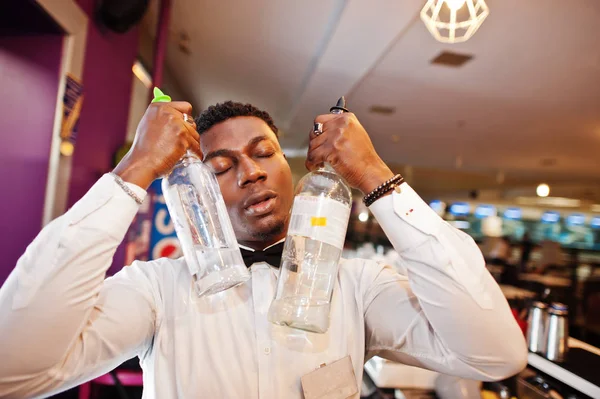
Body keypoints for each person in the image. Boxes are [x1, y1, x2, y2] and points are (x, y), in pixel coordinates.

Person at [0, 100, 527, 398]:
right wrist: (133, 172)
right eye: (222, 167)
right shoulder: (157, 289)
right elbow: (12, 370)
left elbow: (495, 354)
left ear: (288, 168)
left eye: (263, 153)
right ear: (197, 192)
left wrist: (375, 177)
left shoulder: (358, 287)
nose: (250, 171)